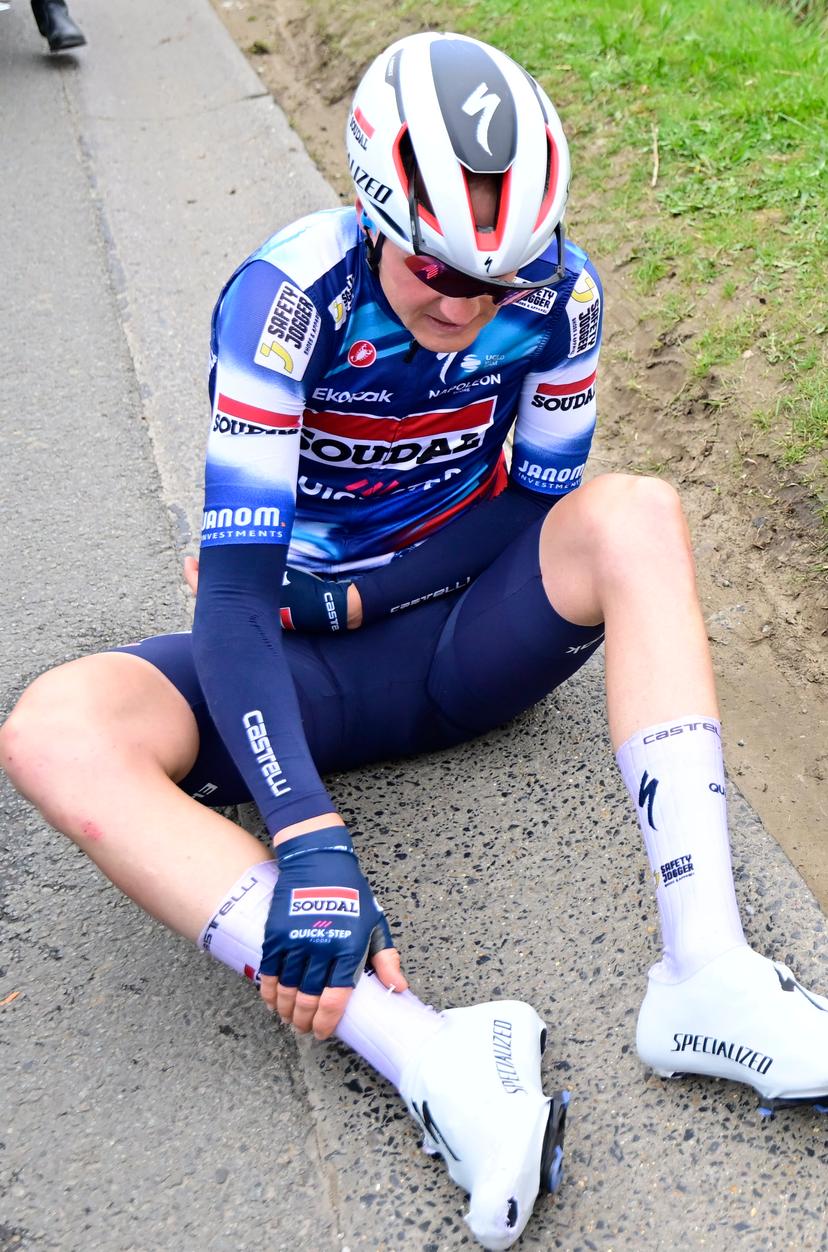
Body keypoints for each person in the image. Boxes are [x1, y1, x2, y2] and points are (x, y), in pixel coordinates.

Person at [2, 29, 827, 1251]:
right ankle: (435, 1056)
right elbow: (234, 604)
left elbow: (538, 506)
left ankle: (706, 970)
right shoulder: (284, 303)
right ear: (371, 214)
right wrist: (308, 837)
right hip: (292, 675)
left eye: (498, 279)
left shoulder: (563, 295)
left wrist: (357, 596)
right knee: (52, 732)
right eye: (437, 271)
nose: (465, 305)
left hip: (460, 640)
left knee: (637, 511)